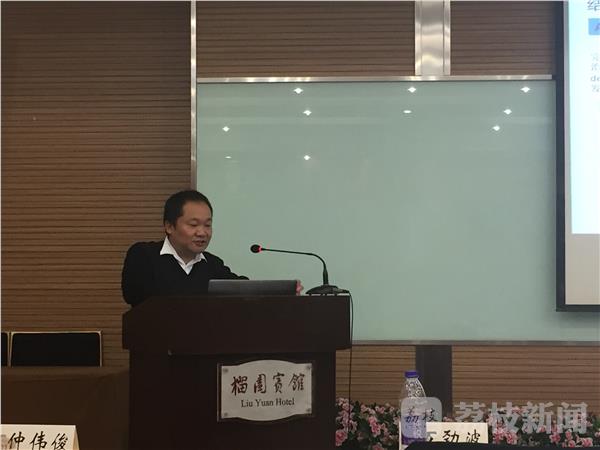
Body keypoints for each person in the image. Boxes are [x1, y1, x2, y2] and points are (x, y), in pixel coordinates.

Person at [121, 190, 247, 307]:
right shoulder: (144, 255)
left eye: (207, 225)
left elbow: (246, 289)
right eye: (193, 225)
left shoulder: (213, 264)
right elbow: (133, 297)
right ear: (169, 226)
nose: (202, 232)